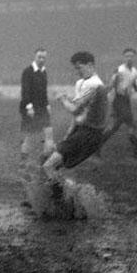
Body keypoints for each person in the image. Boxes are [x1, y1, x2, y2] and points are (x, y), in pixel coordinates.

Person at [41, 51, 107, 182]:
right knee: (48, 160)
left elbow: (76, 110)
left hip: (89, 135)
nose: (77, 71)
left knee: (48, 166)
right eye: (75, 68)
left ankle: (61, 198)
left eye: (79, 68)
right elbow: (78, 115)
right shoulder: (81, 83)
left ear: (90, 65)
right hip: (81, 132)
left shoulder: (94, 85)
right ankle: (61, 194)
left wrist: (62, 99)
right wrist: (69, 134)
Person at [97, 48, 137, 159]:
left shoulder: (134, 71)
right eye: (127, 56)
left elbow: (135, 85)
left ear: (134, 57)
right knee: (132, 126)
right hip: (118, 100)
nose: (129, 58)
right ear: (123, 57)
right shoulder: (119, 70)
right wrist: (104, 92)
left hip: (126, 101)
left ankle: (96, 147)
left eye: (131, 56)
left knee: (114, 127)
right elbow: (111, 84)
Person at [19, 48, 55, 161]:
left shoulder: (44, 71)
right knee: (29, 137)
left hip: (42, 107)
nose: (41, 59)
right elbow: (25, 91)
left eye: (43, 57)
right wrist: (29, 107)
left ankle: (43, 162)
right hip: (30, 108)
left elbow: (44, 91)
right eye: (39, 57)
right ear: (34, 57)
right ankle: (23, 163)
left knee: (49, 133)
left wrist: (47, 105)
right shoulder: (27, 71)